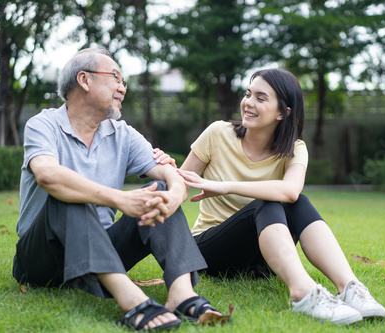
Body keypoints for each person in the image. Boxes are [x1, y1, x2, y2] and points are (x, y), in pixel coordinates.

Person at [12, 47, 225, 331]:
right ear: (84, 80)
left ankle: (182, 293)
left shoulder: (122, 133)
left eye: (123, 82)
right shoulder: (43, 124)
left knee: (159, 189)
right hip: (42, 258)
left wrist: (174, 193)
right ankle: (131, 300)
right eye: (115, 78)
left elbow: (167, 171)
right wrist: (120, 199)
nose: (123, 88)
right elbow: (48, 175)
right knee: (68, 190)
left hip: (102, 249)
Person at [176, 68, 385, 326]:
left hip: (259, 264)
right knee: (266, 203)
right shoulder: (217, 134)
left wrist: (224, 186)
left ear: (282, 112)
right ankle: (303, 292)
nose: (248, 103)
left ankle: (350, 287)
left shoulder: (295, 148)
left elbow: (290, 191)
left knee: (298, 201)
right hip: (208, 253)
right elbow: (179, 182)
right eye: (248, 94)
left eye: (260, 98)